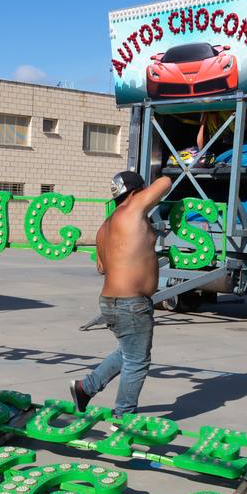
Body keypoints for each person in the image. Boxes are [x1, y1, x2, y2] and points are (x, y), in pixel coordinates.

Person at [71, 169, 175, 415]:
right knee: (137, 361)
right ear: (136, 193)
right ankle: (123, 416)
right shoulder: (134, 209)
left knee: (128, 351)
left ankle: (85, 388)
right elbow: (166, 182)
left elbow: (101, 267)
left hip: (109, 301)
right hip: (132, 303)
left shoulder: (103, 228)